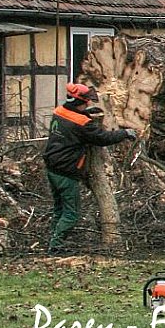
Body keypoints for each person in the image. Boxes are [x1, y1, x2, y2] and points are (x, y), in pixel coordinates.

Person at [42, 83, 137, 255]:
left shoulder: (59, 111)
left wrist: (87, 113)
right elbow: (101, 138)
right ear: (80, 101)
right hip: (66, 170)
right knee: (71, 213)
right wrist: (125, 133)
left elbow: (75, 118)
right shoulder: (82, 123)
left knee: (59, 208)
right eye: (86, 102)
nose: (88, 104)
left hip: (52, 167)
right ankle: (55, 246)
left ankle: (52, 240)